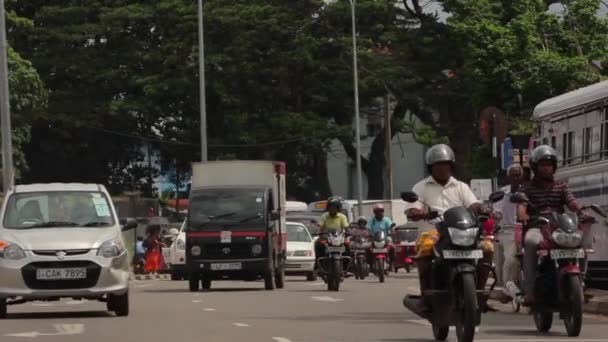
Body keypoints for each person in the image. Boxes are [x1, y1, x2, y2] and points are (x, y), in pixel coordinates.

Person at [406, 144, 492, 311]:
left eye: (445, 164)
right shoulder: (421, 187)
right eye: (438, 165)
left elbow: (473, 204)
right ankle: (425, 296)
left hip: (460, 231)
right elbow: (412, 208)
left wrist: (482, 209)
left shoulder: (461, 186)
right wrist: (418, 212)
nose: (442, 168)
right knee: (426, 248)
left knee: (487, 248)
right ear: (431, 167)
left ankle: (480, 293)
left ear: (451, 166)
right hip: (433, 231)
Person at [516, 145, 583, 305]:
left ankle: (581, 282)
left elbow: (571, 202)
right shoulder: (527, 187)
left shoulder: (561, 185)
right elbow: (521, 205)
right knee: (531, 242)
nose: (546, 168)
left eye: (549, 164)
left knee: (582, 242)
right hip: (536, 227)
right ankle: (530, 290)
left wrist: (580, 209)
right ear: (535, 167)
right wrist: (523, 214)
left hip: (557, 227)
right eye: (542, 165)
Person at [493, 164, 524, 295]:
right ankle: (506, 285)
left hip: (525, 230)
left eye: (518, 175)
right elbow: (497, 212)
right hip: (507, 231)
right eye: (513, 175)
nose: (516, 178)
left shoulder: (527, 191)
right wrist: (496, 218)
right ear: (508, 177)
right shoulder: (502, 193)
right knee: (510, 258)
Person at [315, 197, 350, 263]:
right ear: (328, 208)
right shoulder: (324, 216)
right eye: (331, 207)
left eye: (334, 207)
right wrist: (319, 231)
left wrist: (348, 233)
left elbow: (346, 227)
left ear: (338, 208)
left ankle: (348, 265)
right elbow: (320, 226)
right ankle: (317, 265)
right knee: (318, 244)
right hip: (327, 237)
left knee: (348, 245)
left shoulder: (342, 217)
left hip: (339, 238)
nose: (332, 209)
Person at [367, 204, 395, 270]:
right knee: (368, 248)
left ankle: (392, 263)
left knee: (392, 247)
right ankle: (370, 264)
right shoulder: (372, 220)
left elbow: (391, 227)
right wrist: (368, 234)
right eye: (377, 211)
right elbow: (368, 229)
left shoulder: (387, 220)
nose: (379, 213)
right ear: (375, 212)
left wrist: (392, 231)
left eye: (381, 211)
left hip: (385, 238)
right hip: (374, 238)